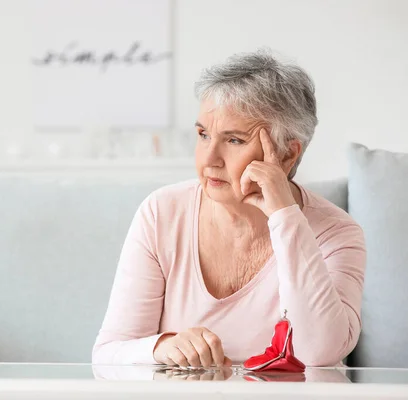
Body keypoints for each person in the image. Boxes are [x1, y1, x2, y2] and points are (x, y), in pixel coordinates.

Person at [92, 49, 366, 368]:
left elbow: (319, 353)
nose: (209, 159)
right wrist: (162, 348)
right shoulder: (161, 213)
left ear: (288, 155)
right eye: (203, 135)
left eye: (234, 140)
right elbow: (108, 353)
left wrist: (285, 217)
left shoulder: (337, 233)